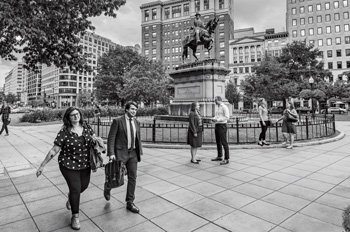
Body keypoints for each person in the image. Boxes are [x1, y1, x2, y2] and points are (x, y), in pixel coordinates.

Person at [36, 107, 95, 230]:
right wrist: (42, 165)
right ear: (68, 118)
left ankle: (71, 197)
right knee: (75, 189)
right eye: (72, 115)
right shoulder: (64, 132)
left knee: (83, 187)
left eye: (77, 114)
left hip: (85, 164)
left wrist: (97, 143)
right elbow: (54, 150)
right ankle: (75, 216)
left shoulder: (87, 127)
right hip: (68, 164)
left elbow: (94, 139)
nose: (76, 116)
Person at [104, 101, 143, 214]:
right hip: (120, 153)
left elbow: (137, 138)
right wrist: (111, 153)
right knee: (116, 178)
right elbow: (111, 138)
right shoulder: (118, 121)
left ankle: (130, 202)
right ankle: (107, 187)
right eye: (132, 109)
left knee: (133, 177)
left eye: (135, 109)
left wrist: (139, 151)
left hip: (133, 154)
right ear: (126, 109)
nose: (134, 111)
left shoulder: (137, 122)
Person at [211, 96, 230, 165]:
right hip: (217, 125)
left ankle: (226, 158)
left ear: (219, 100)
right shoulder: (218, 107)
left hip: (222, 126)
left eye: (215, 101)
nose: (214, 102)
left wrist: (218, 120)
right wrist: (213, 118)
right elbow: (217, 116)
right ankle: (219, 156)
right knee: (218, 142)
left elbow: (227, 117)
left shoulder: (224, 107)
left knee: (224, 142)